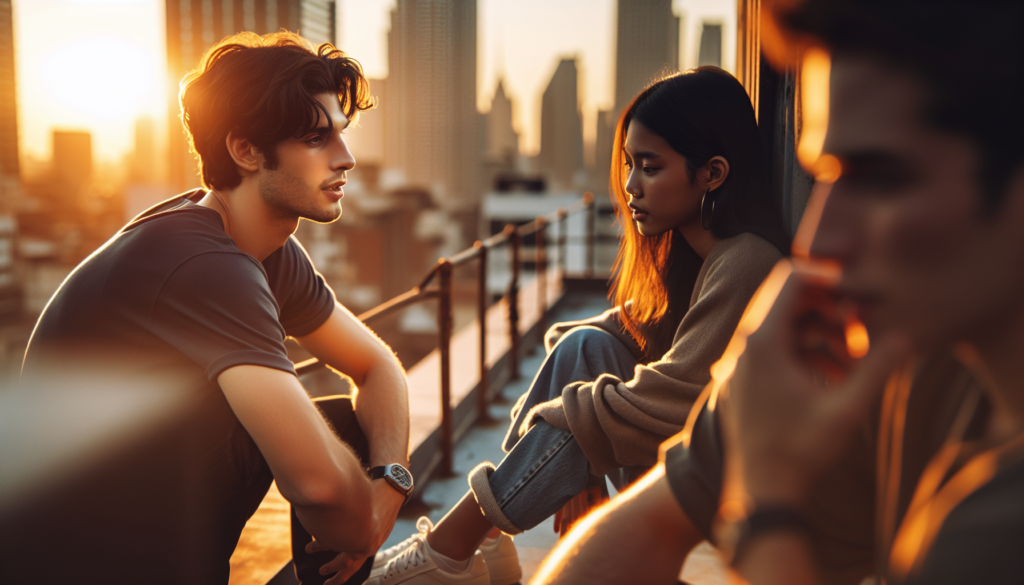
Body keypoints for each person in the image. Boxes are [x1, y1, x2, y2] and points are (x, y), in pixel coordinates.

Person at [530, 1, 1024, 584]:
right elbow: (641, 531)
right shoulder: (896, 369)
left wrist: (768, 501)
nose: (819, 238)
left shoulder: (998, 528)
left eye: (883, 179)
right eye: (828, 174)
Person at [339, 66, 789, 585]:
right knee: (584, 347)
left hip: (745, 491)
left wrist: (582, 434)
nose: (630, 186)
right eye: (628, 165)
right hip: (697, 463)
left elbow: (676, 401)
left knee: (587, 407)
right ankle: (488, 545)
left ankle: (451, 549)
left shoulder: (747, 261)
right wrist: (581, 463)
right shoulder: (693, 259)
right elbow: (615, 332)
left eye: (650, 167)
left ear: (712, 173)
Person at [19, 32, 412, 585]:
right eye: (315, 138)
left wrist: (388, 483)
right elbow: (321, 487)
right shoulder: (203, 262)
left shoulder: (264, 249)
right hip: (69, 560)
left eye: (341, 135)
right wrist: (361, 521)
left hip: (141, 509)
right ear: (246, 150)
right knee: (320, 443)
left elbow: (376, 366)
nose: (345, 158)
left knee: (343, 424)